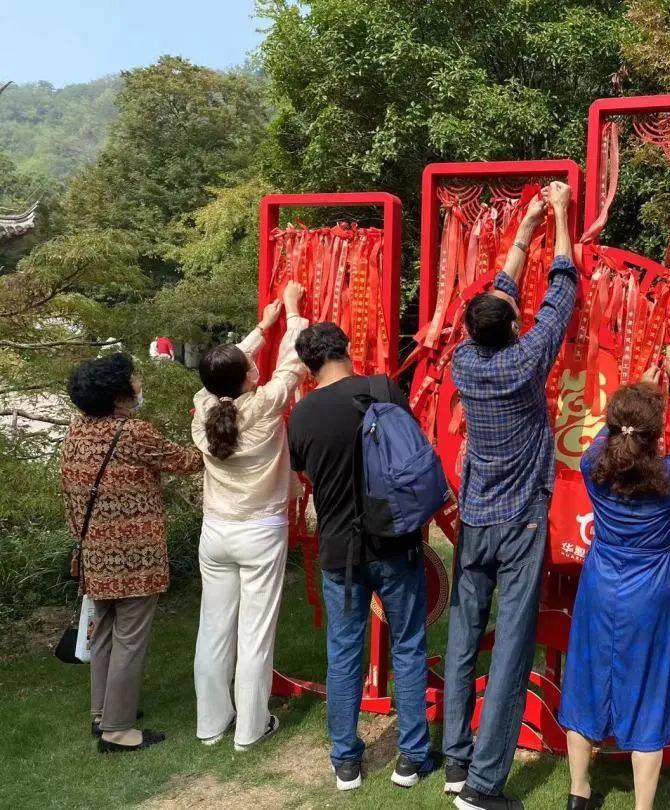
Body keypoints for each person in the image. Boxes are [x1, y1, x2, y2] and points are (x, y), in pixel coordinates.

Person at [443, 181, 578, 810]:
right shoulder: (526, 362)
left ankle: (455, 760)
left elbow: (501, 301)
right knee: (512, 649)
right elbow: (563, 289)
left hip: (475, 518)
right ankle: (482, 786)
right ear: (515, 326)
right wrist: (561, 214)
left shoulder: (462, 363)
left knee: (464, 635)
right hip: (521, 522)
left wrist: (524, 230)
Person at [288, 322, 437, 792]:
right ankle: (411, 757)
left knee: (343, 652)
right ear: (345, 349)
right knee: (408, 645)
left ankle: (346, 761)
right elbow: (412, 455)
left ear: (308, 367)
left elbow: (305, 474)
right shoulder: (383, 389)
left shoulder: (302, 415)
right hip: (394, 542)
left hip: (339, 550)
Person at [558, 347, 670, 810]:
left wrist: (637, 390)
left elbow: (607, 436)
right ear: (655, 434)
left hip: (601, 584)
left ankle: (579, 792)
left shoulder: (592, 466)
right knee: (649, 690)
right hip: (650, 592)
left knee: (587, 678)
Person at [61, 353, 202, 753]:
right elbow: (190, 460)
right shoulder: (134, 433)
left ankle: (101, 712)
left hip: (95, 554)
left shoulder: (76, 431)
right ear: (119, 396)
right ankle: (118, 730)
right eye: (134, 379)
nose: (139, 383)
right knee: (130, 639)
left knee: (104, 632)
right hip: (136, 558)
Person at [190, 281, 308, 751]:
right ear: (247, 376)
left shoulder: (204, 409)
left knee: (214, 628)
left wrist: (262, 326)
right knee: (255, 633)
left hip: (216, 532)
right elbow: (293, 361)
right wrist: (292, 311)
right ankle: (250, 729)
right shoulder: (263, 404)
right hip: (260, 531)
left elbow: (219, 374)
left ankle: (210, 724)